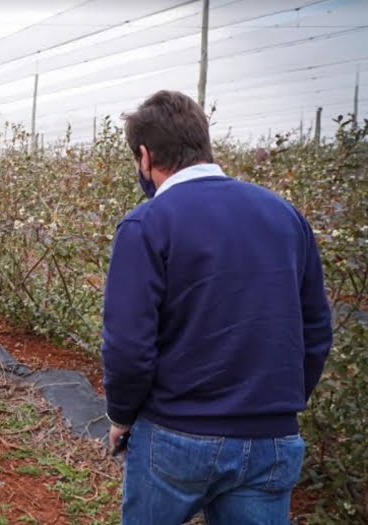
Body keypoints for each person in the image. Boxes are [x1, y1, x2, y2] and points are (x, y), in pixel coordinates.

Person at [101, 91, 332, 524]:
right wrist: (278, 405)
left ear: (146, 156)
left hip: (176, 433)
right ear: (203, 142)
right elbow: (316, 328)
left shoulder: (147, 223)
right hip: (271, 440)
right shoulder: (285, 216)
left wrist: (121, 414)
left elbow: (129, 346)